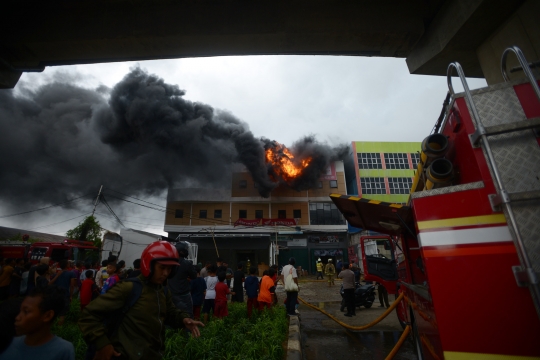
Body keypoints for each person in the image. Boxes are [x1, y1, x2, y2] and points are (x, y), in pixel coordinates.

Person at [79, 241, 204, 360]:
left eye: (170, 269)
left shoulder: (163, 290)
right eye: (162, 267)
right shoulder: (129, 288)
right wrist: (103, 344)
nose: (166, 273)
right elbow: (89, 315)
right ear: (148, 264)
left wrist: (183, 319)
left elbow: (170, 311)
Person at [0, 286, 75, 360]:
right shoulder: (8, 344)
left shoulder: (63, 351)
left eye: (26, 312)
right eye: (20, 311)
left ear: (47, 316)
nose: (17, 317)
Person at [168, 241, 197, 318]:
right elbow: (194, 276)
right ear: (182, 251)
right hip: (183, 294)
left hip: (171, 294)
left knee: (172, 315)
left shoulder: (170, 262)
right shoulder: (187, 263)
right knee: (188, 315)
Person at [49, 259, 76, 325]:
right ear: (67, 265)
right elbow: (72, 285)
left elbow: (50, 284)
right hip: (65, 294)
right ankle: (60, 329)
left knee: (55, 311)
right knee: (62, 313)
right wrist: (71, 296)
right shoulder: (71, 273)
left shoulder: (56, 274)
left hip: (55, 294)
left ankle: (53, 326)